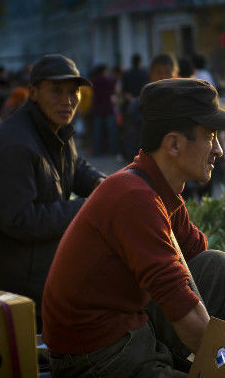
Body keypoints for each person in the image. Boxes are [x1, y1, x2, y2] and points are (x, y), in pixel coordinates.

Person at [42, 79, 225, 376]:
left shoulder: (158, 188)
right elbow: (187, 315)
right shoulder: (135, 198)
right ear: (173, 144)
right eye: (210, 136)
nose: (218, 151)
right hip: (98, 356)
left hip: (133, 327)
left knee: (218, 265)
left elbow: (200, 262)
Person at [0, 54, 105, 330]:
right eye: (56, 91)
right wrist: (84, 208)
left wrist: (107, 186)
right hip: (24, 281)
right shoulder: (17, 144)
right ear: (33, 92)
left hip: (50, 264)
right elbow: (18, 219)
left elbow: (73, 166)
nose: (67, 100)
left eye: (73, 92)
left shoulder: (56, 127)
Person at [122, 53, 179, 162]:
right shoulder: (138, 106)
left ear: (175, 74)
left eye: (168, 72)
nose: (163, 77)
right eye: (158, 72)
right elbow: (131, 143)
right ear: (151, 74)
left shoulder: (183, 103)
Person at [90, 64, 118, 155]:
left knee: (97, 133)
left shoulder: (93, 81)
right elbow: (115, 91)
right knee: (111, 132)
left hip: (97, 108)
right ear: (104, 71)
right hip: (109, 108)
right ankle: (113, 151)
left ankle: (97, 151)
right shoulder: (110, 80)